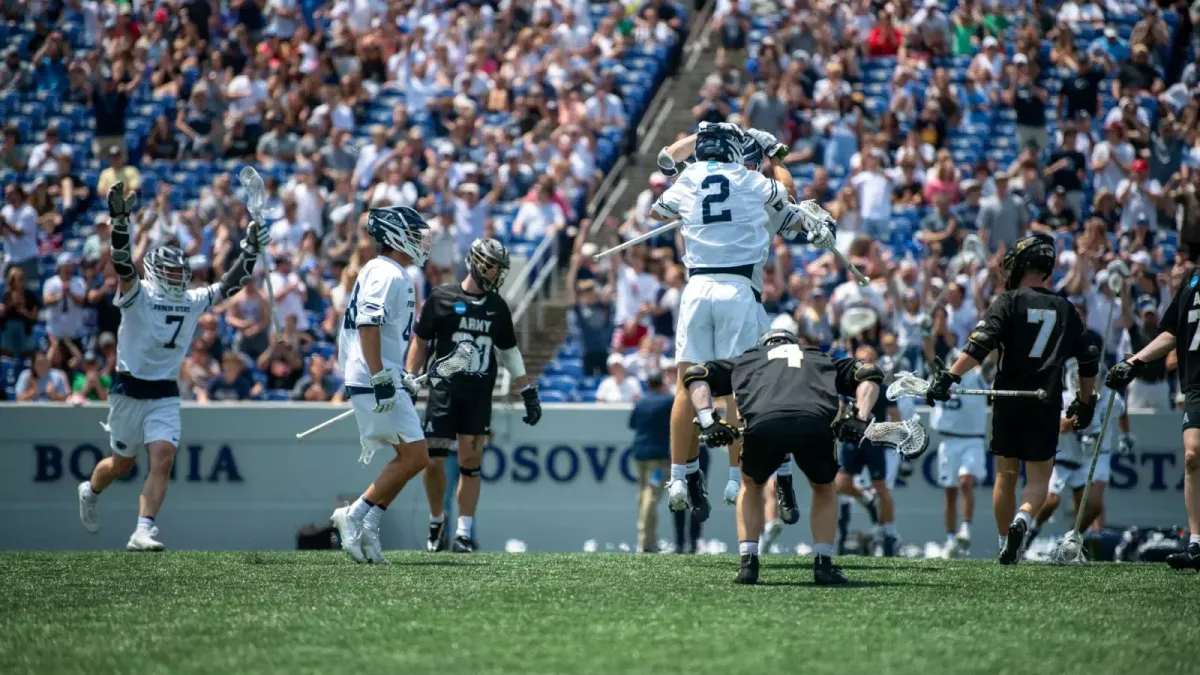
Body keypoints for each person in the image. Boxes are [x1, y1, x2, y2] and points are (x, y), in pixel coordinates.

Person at [78, 182, 268, 551]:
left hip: (164, 390)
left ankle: (143, 529)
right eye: (170, 271)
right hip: (129, 390)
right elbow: (120, 262)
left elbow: (230, 284)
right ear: (153, 269)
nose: (179, 276)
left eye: (181, 271)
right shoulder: (139, 293)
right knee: (121, 465)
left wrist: (250, 248)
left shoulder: (192, 298)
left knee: (163, 458)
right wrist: (120, 221)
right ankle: (90, 488)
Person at [649, 122, 797, 524]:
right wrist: (776, 156)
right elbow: (790, 197)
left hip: (696, 290)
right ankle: (736, 478)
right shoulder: (750, 179)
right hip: (737, 290)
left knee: (687, 385)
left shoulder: (692, 176)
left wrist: (694, 142)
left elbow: (658, 198)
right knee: (738, 390)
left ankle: (679, 477)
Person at [926, 233, 1099, 564]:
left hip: (1007, 397)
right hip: (1045, 400)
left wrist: (950, 376)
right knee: (1037, 480)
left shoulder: (1008, 302)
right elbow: (1088, 357)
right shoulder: (1066, 308)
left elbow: (980, 345)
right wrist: (1085, 400)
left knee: (1005, 474)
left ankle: (1007, 538)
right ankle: (1023, 519)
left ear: (1021, 265)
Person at [684, 328, 894, 585]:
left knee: (751, 486)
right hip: (814, 422)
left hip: (763, 423)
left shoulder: (749, 358)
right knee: (824, 488)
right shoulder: (819, 357)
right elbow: (870, 373)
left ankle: (748, 563)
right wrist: (860, 417)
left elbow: (696, 374)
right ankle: (823, 563)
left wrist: (708, 420)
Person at [406, 237, 541, 553]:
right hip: (443, 392)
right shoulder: (441, 298)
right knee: (434, 462)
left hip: (479, 394)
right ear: (477, 262)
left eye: (499, 269)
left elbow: (509, 352)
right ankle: (437, 519)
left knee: (471, 462)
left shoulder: (497, 308)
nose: (496, 274)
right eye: (493, 267)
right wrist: (410, 377)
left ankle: (463, 532)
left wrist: (527, 391)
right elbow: (420, 341)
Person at [328, 206, 432, 565]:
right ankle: (355, 515)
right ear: (396, 236)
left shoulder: (390, 271)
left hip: (379, 373)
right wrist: (380, 376)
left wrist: (395, 372)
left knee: (410, 457)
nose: (422, 240)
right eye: (415, 234)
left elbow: (381, 332)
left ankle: (370, 522)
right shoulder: (387, 272)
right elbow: (368, 325)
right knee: (416, 456)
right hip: (373, 376)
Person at [1105, 258, 1200, 570]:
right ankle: (1197, 544)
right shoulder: (1192, 284)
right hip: (1196, 384)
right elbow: (1172, 332)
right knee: (1192, 456)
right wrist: (1134, 362)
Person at [1032, 359, 1121, 543]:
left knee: (1093, 506)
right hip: (1061, 457)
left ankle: (1071, 540)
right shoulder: (1063, 398)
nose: (1092, 383)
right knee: (1051, 501)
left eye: (1095, 378)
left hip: (1084, 459)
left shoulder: (1108, 397)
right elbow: (1059, 426)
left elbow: (1122, 410)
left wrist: (1125, 435)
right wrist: (1082, 414)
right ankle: (1031, 530)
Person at [834, 345, 901, 556]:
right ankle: (866, 499)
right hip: (853, 441)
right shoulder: (848, 384)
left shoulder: (882, 385)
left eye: (868, 359)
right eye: (861, 359)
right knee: (841, 484)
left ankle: (887, 531)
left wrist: (888, 435)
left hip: (874, 441)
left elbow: (895, 415)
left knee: (881, 487)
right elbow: (841, 410)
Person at [930, 351, 989, 557]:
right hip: (949, 441)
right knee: (950, 492)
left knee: (966, 481)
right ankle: (949, 538)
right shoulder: (942, 378)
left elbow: (991, 362)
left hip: (972, 439)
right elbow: (929, 356)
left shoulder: (978, 376)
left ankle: (966, 528)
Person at [629, 371, 673, 552]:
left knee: (643, 496)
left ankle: (649, 541)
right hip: (658, 459)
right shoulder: (668, 401)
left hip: (640, 456)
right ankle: (646, 542)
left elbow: (632, 424)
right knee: (651, 497)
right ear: (662, 384)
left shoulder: (641, 401)